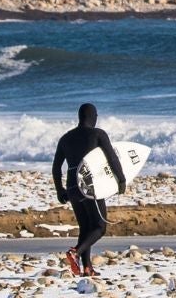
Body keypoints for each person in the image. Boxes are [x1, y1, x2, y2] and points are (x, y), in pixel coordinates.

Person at [52, 102, 126, 275]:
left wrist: (60, 190)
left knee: (85, 228)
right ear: (93, 117)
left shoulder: (65, 138)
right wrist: (121, 180)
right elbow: (112, 159)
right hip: (90, 185)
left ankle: (87, 268)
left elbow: (56, 167)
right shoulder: (98, 134)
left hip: (72, 187)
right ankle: (75, 252)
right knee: (100, 227)